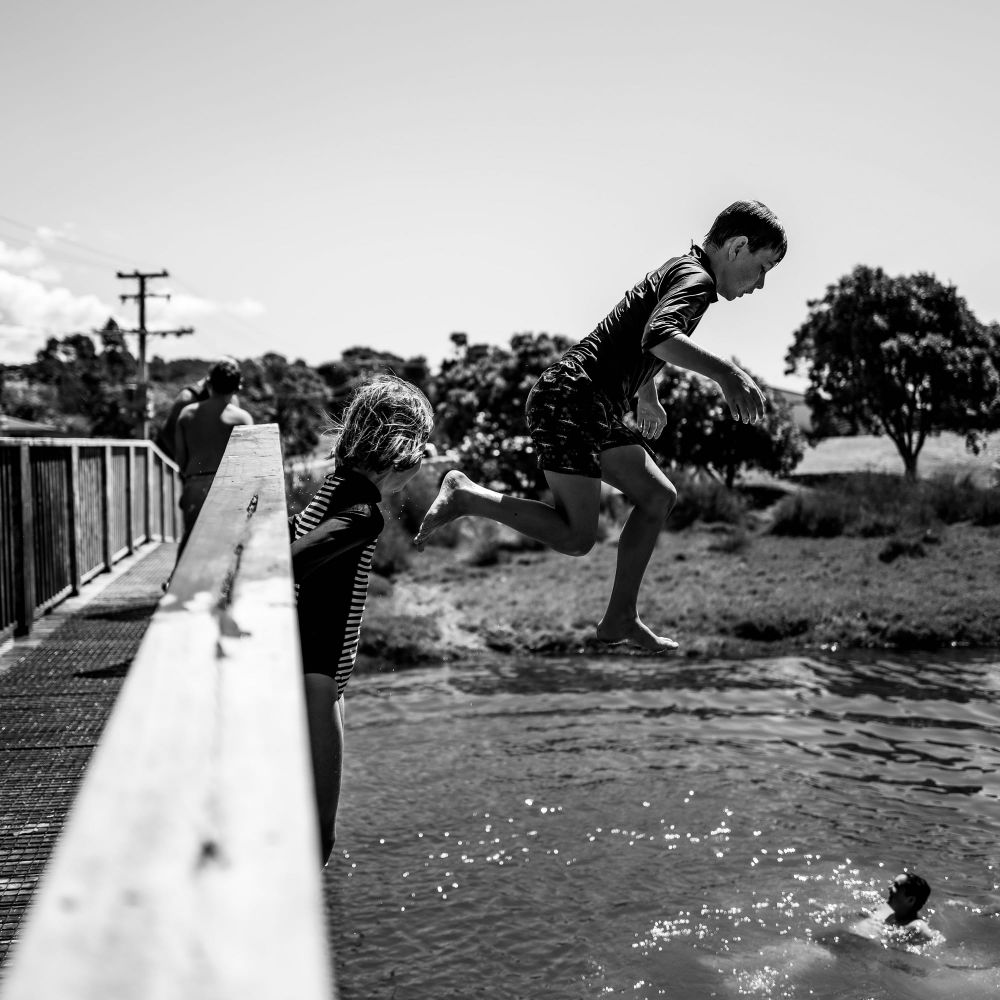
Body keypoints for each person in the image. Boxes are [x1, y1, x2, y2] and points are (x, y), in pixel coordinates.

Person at [415, 199, 787, 651]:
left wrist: (645, 392)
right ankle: (467, 495)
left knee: (657, 496)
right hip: (572, 398)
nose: (762, 284)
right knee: (576, 537)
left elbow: (635, 336)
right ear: (737, 246)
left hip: (593, 401)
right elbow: (660, 336)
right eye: (763, 267)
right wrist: (728, 374)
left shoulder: (682, 269)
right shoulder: (698, 280)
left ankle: (621, 617)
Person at [289, 375, 434, 865]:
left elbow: (294, 542)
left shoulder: (333, 487)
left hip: (322, 676)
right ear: (403, 453)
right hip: (318, 680)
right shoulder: (362, 511)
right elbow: (293, 560)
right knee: (317, 842)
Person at [173, 357, 253, 558]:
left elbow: (181, 460)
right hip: (230, 487)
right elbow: (249, 464)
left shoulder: (187, 414)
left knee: (192, 541)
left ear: (208, 383)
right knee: (227, 545)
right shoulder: (242, 418)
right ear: (237, 387)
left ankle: (176, 583)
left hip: (195, 486)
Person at [154, 355, 242, 462]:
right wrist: (186, 464)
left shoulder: (232, 397)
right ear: (210, 379)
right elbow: (168, 436)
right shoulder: (188, 398)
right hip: (190, 469)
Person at [850, 872, 933, 944]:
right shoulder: (882, 909)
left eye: (896, 886)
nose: (889, 887)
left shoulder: (918, 927)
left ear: (910, 900)